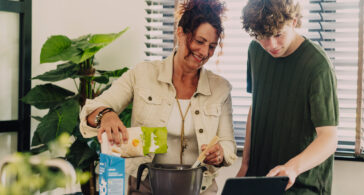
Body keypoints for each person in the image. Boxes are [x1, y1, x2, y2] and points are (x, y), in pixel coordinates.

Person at [79, 0, 237, 194]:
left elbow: (229, 143)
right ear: (180, 33)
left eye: (212, 46)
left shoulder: (221, 88)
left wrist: (221, 153)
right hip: (145, 187)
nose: (205, 52)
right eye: (199, 41)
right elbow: (92, 110)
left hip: (200, 189)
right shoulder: (143, 74)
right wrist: (106, 115)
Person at [236, 0, 339, 194]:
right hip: (260, 178)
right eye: (262, 37)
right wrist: (245, 165)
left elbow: (329, 138)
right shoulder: (255, 50)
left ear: (294, 21)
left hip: (302, 185)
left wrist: (292, 168)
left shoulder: (318, 66)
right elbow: (256, 107)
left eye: (278, 34)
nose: (270, 45)